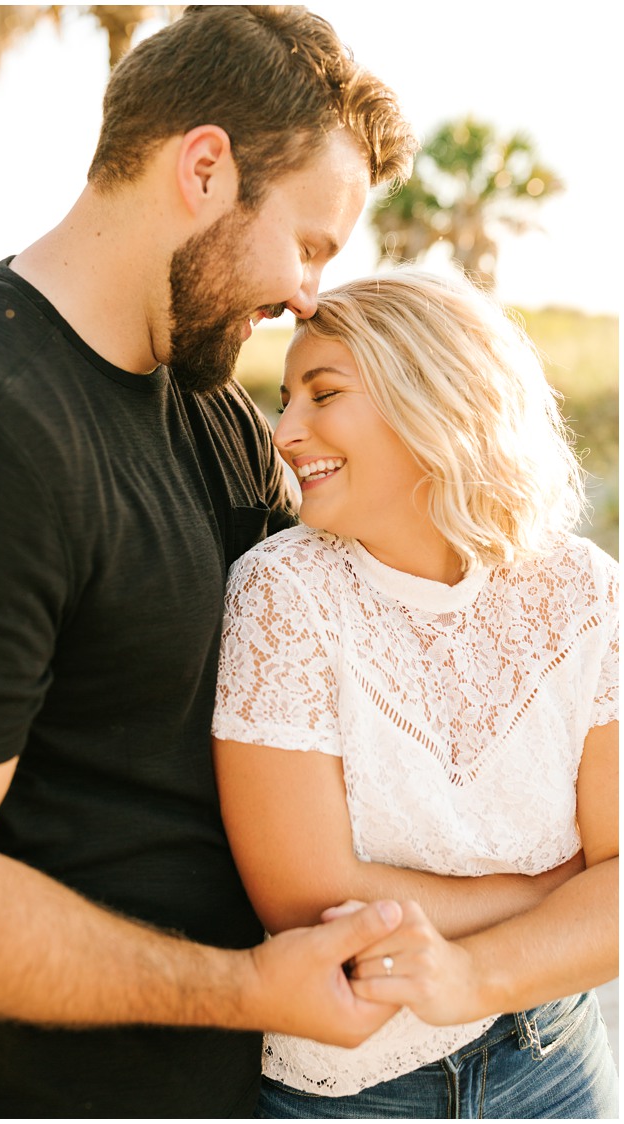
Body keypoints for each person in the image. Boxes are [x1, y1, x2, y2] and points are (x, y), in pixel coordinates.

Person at [0, 5, 420, 1117]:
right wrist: (243, 987)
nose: (309, 292)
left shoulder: (211, 403)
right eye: (309, 241)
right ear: (206, 167)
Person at [212, 269, 619, 1118]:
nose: (286, 431)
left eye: (323, 394)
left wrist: (473, 972)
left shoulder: (585, 593)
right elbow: (308, 897)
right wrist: (560, 887)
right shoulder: (283, 592)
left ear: (432, 397)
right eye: (285, 399)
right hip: (353, 1087)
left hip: (554, 1057)